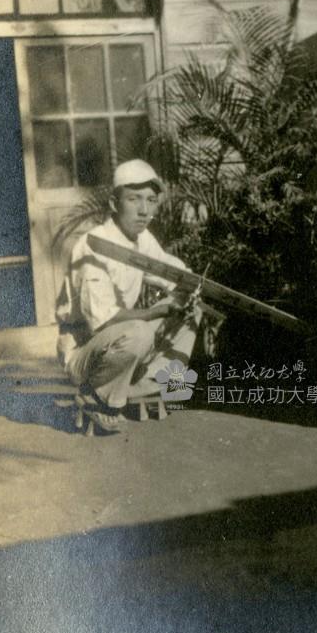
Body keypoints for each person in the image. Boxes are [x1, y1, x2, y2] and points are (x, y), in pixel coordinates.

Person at [56, 159, 201, 431]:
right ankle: (96, 395)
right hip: (84, 353)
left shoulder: (141, 238)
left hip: (121, 341)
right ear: (114, 203)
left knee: (190, 308)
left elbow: (168, 270)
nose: (144, 210)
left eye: (151, 200)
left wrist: (192, 287)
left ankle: (146, 384)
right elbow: (103, 320)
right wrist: (156, 312)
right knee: (138, 331)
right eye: (134, 199)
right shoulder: (92, 245)